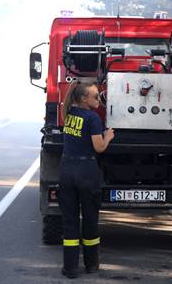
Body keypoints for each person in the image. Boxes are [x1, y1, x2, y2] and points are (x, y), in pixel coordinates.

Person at [58, 80, 114, 279]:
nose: (99, 99)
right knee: (90, 219)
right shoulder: (93, 118)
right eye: (95, 96)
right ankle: (91, 265)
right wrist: (108, 136)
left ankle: (70, 268)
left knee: (70, 221)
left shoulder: (69, 114)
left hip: (66, 170)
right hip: (86, 171)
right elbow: (99, 148)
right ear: (83, 99)